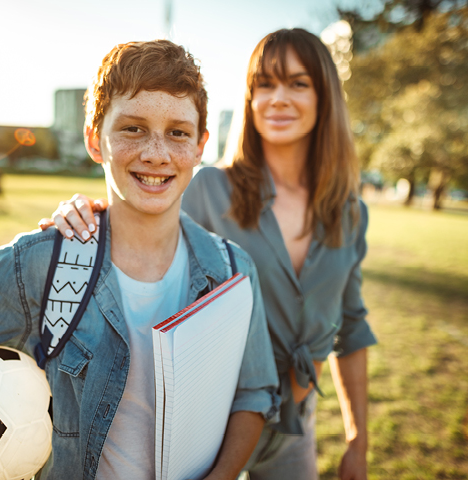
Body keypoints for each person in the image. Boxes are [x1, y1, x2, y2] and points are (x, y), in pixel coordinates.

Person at [0, 40, 280, 480]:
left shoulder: (231, 270)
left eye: (178, 132)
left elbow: (253, 395)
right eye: (133, 128)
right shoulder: (41, 263)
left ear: (200, 147)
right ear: (94, 140)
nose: (156, 153)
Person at [39, 28, 377, 480]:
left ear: (325, 97)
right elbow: (142, 221)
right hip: (212, 420)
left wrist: (358, 440)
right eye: (265, 84)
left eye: (298, 83)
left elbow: (350, 326)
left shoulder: (351, 213)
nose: (278, 98)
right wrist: (84, 211)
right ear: (249, 98)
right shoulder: (210, 189)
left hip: (297, 425)